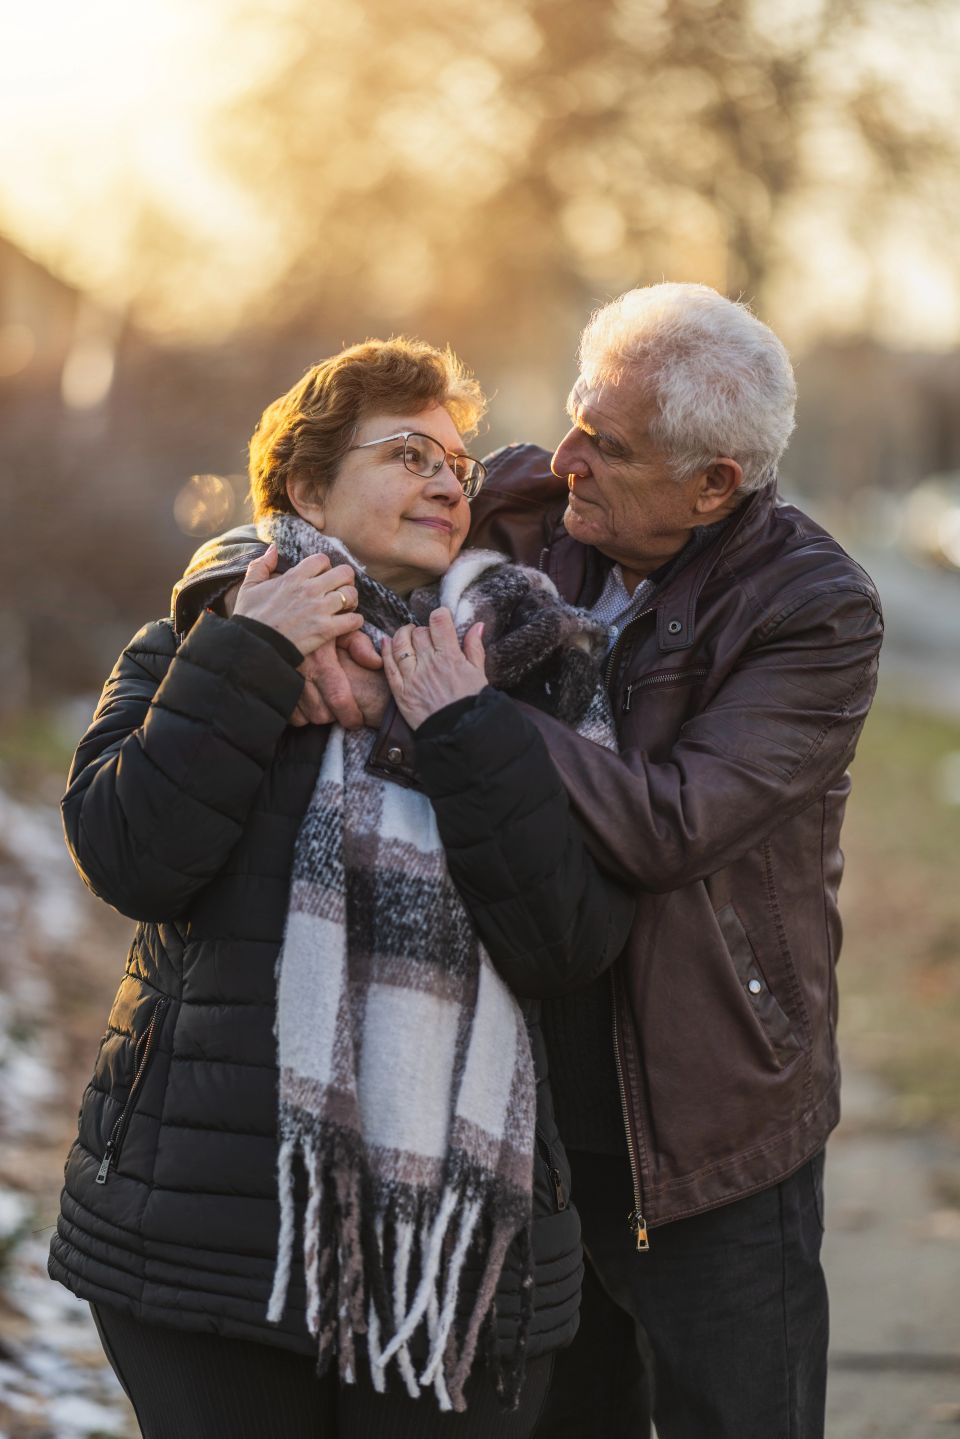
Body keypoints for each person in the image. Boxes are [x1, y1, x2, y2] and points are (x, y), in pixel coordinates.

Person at [252, 284, 884, 1438]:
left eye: (613, 444)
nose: (568, 456)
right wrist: (268, 619)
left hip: (707, 1119)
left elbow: (671, 821)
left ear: (713, 487)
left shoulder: (816, 608)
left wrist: (453, 710)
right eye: (580, 415)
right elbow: (316, 515)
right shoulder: (535, 501)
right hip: (519, 1093)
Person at [48, 338, 634, 1439]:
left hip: (452, 1257)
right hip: (215, 1221)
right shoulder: (202, 631)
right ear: (306, 483)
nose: (445, 482)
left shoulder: (537, 668)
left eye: (456, 465)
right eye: (408, 452)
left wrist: (459, 727)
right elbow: (128, 854)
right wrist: (248, 660)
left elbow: (571, 941)